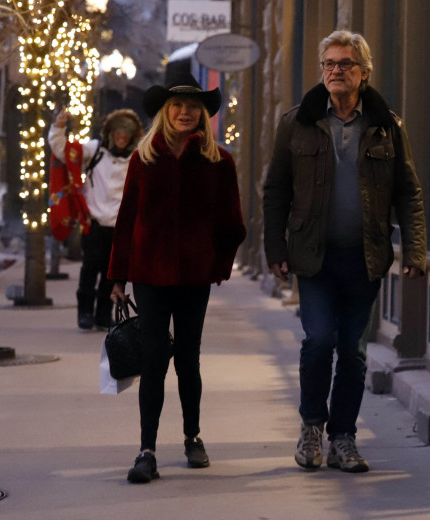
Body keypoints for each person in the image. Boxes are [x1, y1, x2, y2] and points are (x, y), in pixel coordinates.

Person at [263, 30, 427, 473]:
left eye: (346, 64)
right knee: (319, 341)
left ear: (364, 73)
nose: (336, 70)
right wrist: (274, 247)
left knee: (353, 351)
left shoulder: (387, 126)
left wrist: (415, 249)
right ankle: (311, 428)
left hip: (364, 256)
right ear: (323, 71)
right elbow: (276, 189)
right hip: (312, 255)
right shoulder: (296, 122)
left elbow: (407, 192)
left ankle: (344, 438)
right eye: (330, 63)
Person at [108, 72, 246, 483]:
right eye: (177, 106)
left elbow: (232, 223)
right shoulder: (143, 158)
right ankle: (146, 449)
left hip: (193, 276)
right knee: (153, 361)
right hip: (150, 272)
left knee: (188, 358)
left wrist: (217, 264)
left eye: (192, 107)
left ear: (202, 114)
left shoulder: (219, 161)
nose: (185, 112)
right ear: (165, 113)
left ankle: (192, 437)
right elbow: (126, 219)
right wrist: (118, 275)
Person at [48, 108, 144, 330]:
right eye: (118, 134)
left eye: (126, 135)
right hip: (94, 223)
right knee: (90, 269)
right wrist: (58, 127)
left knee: (113, 275)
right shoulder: (95, 150)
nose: (122, 139)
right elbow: (63, 151)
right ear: (111, 133)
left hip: (122, 227)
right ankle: (85, 314)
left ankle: (103, 315)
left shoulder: (137, 157)